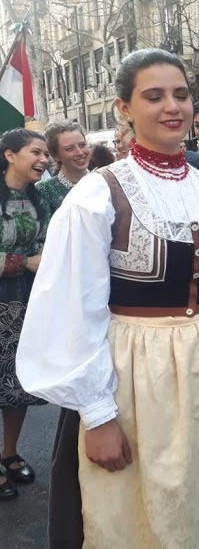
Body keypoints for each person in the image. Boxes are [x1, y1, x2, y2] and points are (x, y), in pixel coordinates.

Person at [16, 49, 199, 548]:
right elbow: (72, 311)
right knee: (144, 509)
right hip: (136, 373)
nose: (172, 107)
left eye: (180, 94)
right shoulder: (96, 196)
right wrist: (97, 416)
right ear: (124, 108)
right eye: (153, 96)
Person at [0, 129, 49, 502]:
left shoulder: (40, 197)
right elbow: (32, 257)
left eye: (46, 154)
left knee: (17, 385)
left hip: (28, 304)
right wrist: (24, 262)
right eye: (36, 152)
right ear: (9, 155)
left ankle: (9, 452)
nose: (44, 160)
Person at [37, 121, 91, 220]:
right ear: (55, 155)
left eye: (82, 145)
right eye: (70, 149)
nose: (80, 152)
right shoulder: (44, 190)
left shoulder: (105, 181)